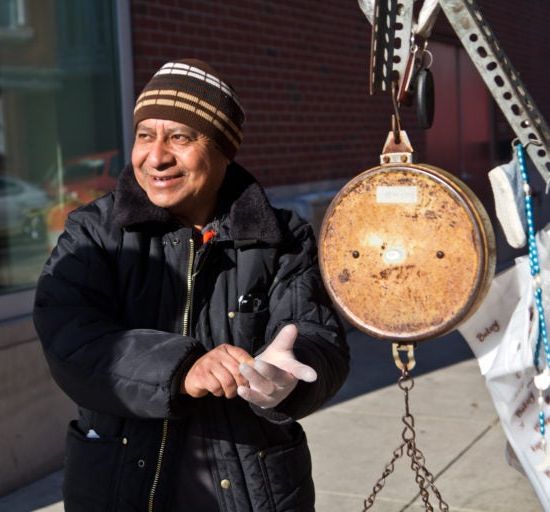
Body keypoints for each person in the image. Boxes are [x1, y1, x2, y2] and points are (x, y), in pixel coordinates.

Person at [33, 58, 350, 512]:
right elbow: (69, 336)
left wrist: (286, 376)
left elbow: (320, 338)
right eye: (146, 135)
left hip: (254, 490)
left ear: (224, 149)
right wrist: (183, 368)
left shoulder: (281, 238)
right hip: (118, 487)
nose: (156, 156)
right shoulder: (95, 232)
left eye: (180, 137)